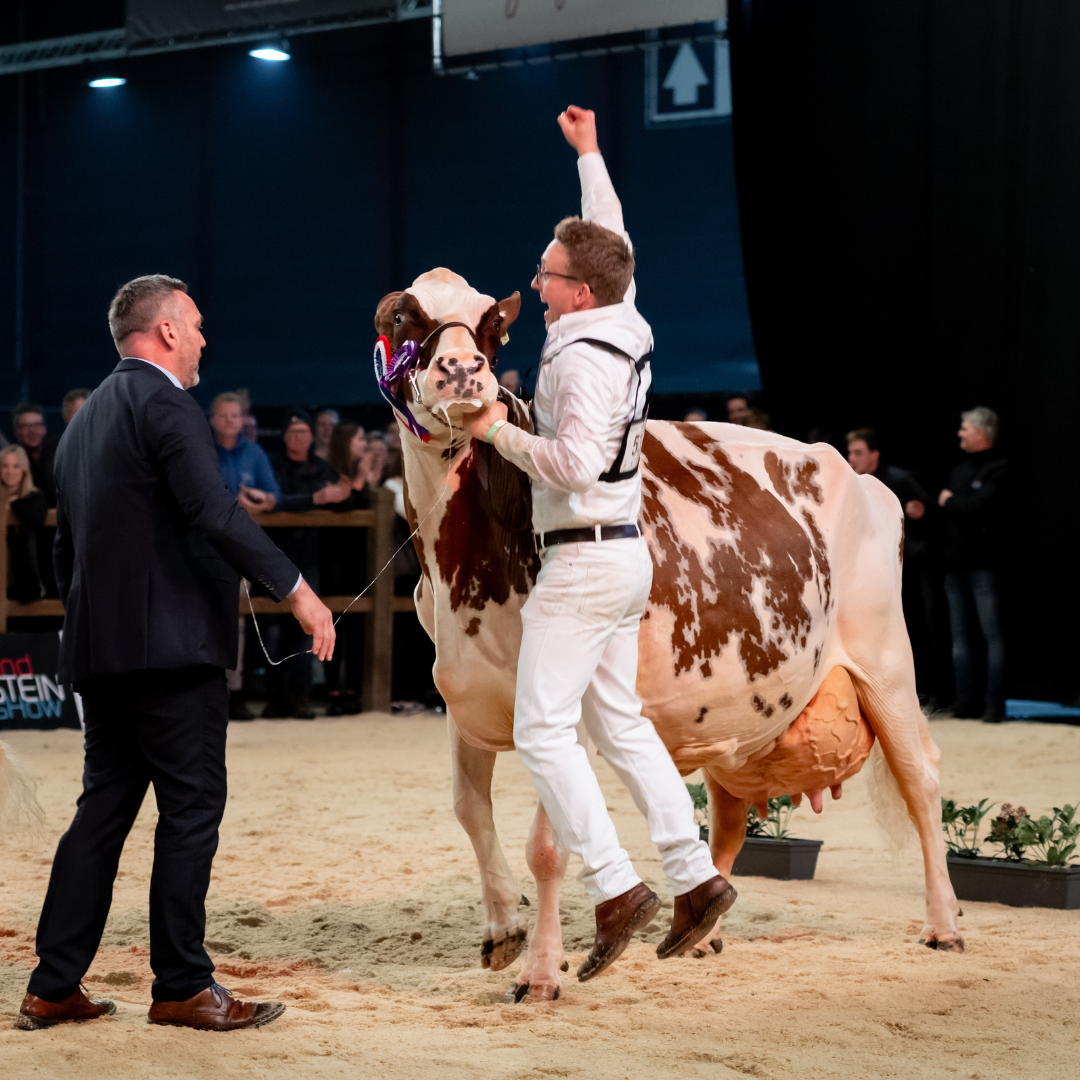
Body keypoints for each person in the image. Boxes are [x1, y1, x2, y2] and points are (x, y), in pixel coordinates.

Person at [17, 274, 335, 1034]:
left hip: (101, 653)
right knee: (191, 810)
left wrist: (90, 632)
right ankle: (183, 985)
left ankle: (53, 985)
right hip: (173, 654)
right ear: (162, 331)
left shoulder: (83, 424)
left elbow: (67, 554)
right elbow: (212, 511)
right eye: (193, 326)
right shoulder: (168, 403)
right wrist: (296, 587)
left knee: (101, 813)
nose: (201, 340)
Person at [465, 106, 733, 982]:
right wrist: (589, 155)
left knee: (544, 732)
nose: (534, 285)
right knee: (617, 722)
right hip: (624, 558)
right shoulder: (620, 311)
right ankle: (693, 876)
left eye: (546, 276)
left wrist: (494, 427)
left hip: (581, 555)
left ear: (579, 291)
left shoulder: (579, 357)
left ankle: (617, 886)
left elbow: (574, 462)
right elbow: (611, 232)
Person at [240, 409, 350, 719]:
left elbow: (345, 498)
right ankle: (274, 698)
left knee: (305, 631)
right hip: (272, 557)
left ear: (311, 437)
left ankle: (299, 698)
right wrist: (315, 499)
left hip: (308, 558)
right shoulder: (272, 464)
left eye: (303, 432)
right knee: (272, 630)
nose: (298, 437)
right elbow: (274, 500)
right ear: (284, 437)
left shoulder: (321, 467)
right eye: (292, 433)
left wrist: (337, 495)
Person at [847, 428, 948, 706]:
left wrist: (920, 538)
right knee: (891, 632)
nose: (851, 459)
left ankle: (936, 694)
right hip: (884, 572)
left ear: (874, 454)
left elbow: (933, 516)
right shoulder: (855, 484)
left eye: (858, 452)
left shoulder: (901, 480)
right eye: (850, 452)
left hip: (917, 570)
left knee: (926, 628)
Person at [210, 392, 283, 720]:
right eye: (223, 416)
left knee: (236, 622)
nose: (229, 421)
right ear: (212, 419)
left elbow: (273, 497)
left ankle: (233, 692)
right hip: (201, 549)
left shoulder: (254, 453)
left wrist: (261, 500)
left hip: (240, 550)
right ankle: (206, 692)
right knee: (199, 619)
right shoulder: (200, 450)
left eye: (234, 416)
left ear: (242, 420)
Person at [938, 406, 1008, 724]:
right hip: (955, 566)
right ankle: (964, 703)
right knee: (959, 637)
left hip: (983, 566)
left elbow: (981, 508)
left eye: (964, 428)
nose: (960, 433)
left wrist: (951, 502)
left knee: (991, 635)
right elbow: (968, 511)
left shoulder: (1000, 468)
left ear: (981, 432)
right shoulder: (959, 470)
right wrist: (959, 508)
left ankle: (994, 705)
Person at [1, 444, 47, 602]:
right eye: (4, 466)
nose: (9, 471)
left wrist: (13, 505)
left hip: (25, 579)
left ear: (24, 469)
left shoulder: (34, 498)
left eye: (15, 466)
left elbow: (35, 520)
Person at [13, 403, 58, 507]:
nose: (32, 431)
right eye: (26, 426)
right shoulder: (9, 462)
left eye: (37, 425)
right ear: (17, 431)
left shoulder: (58, 457)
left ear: (44, 429)